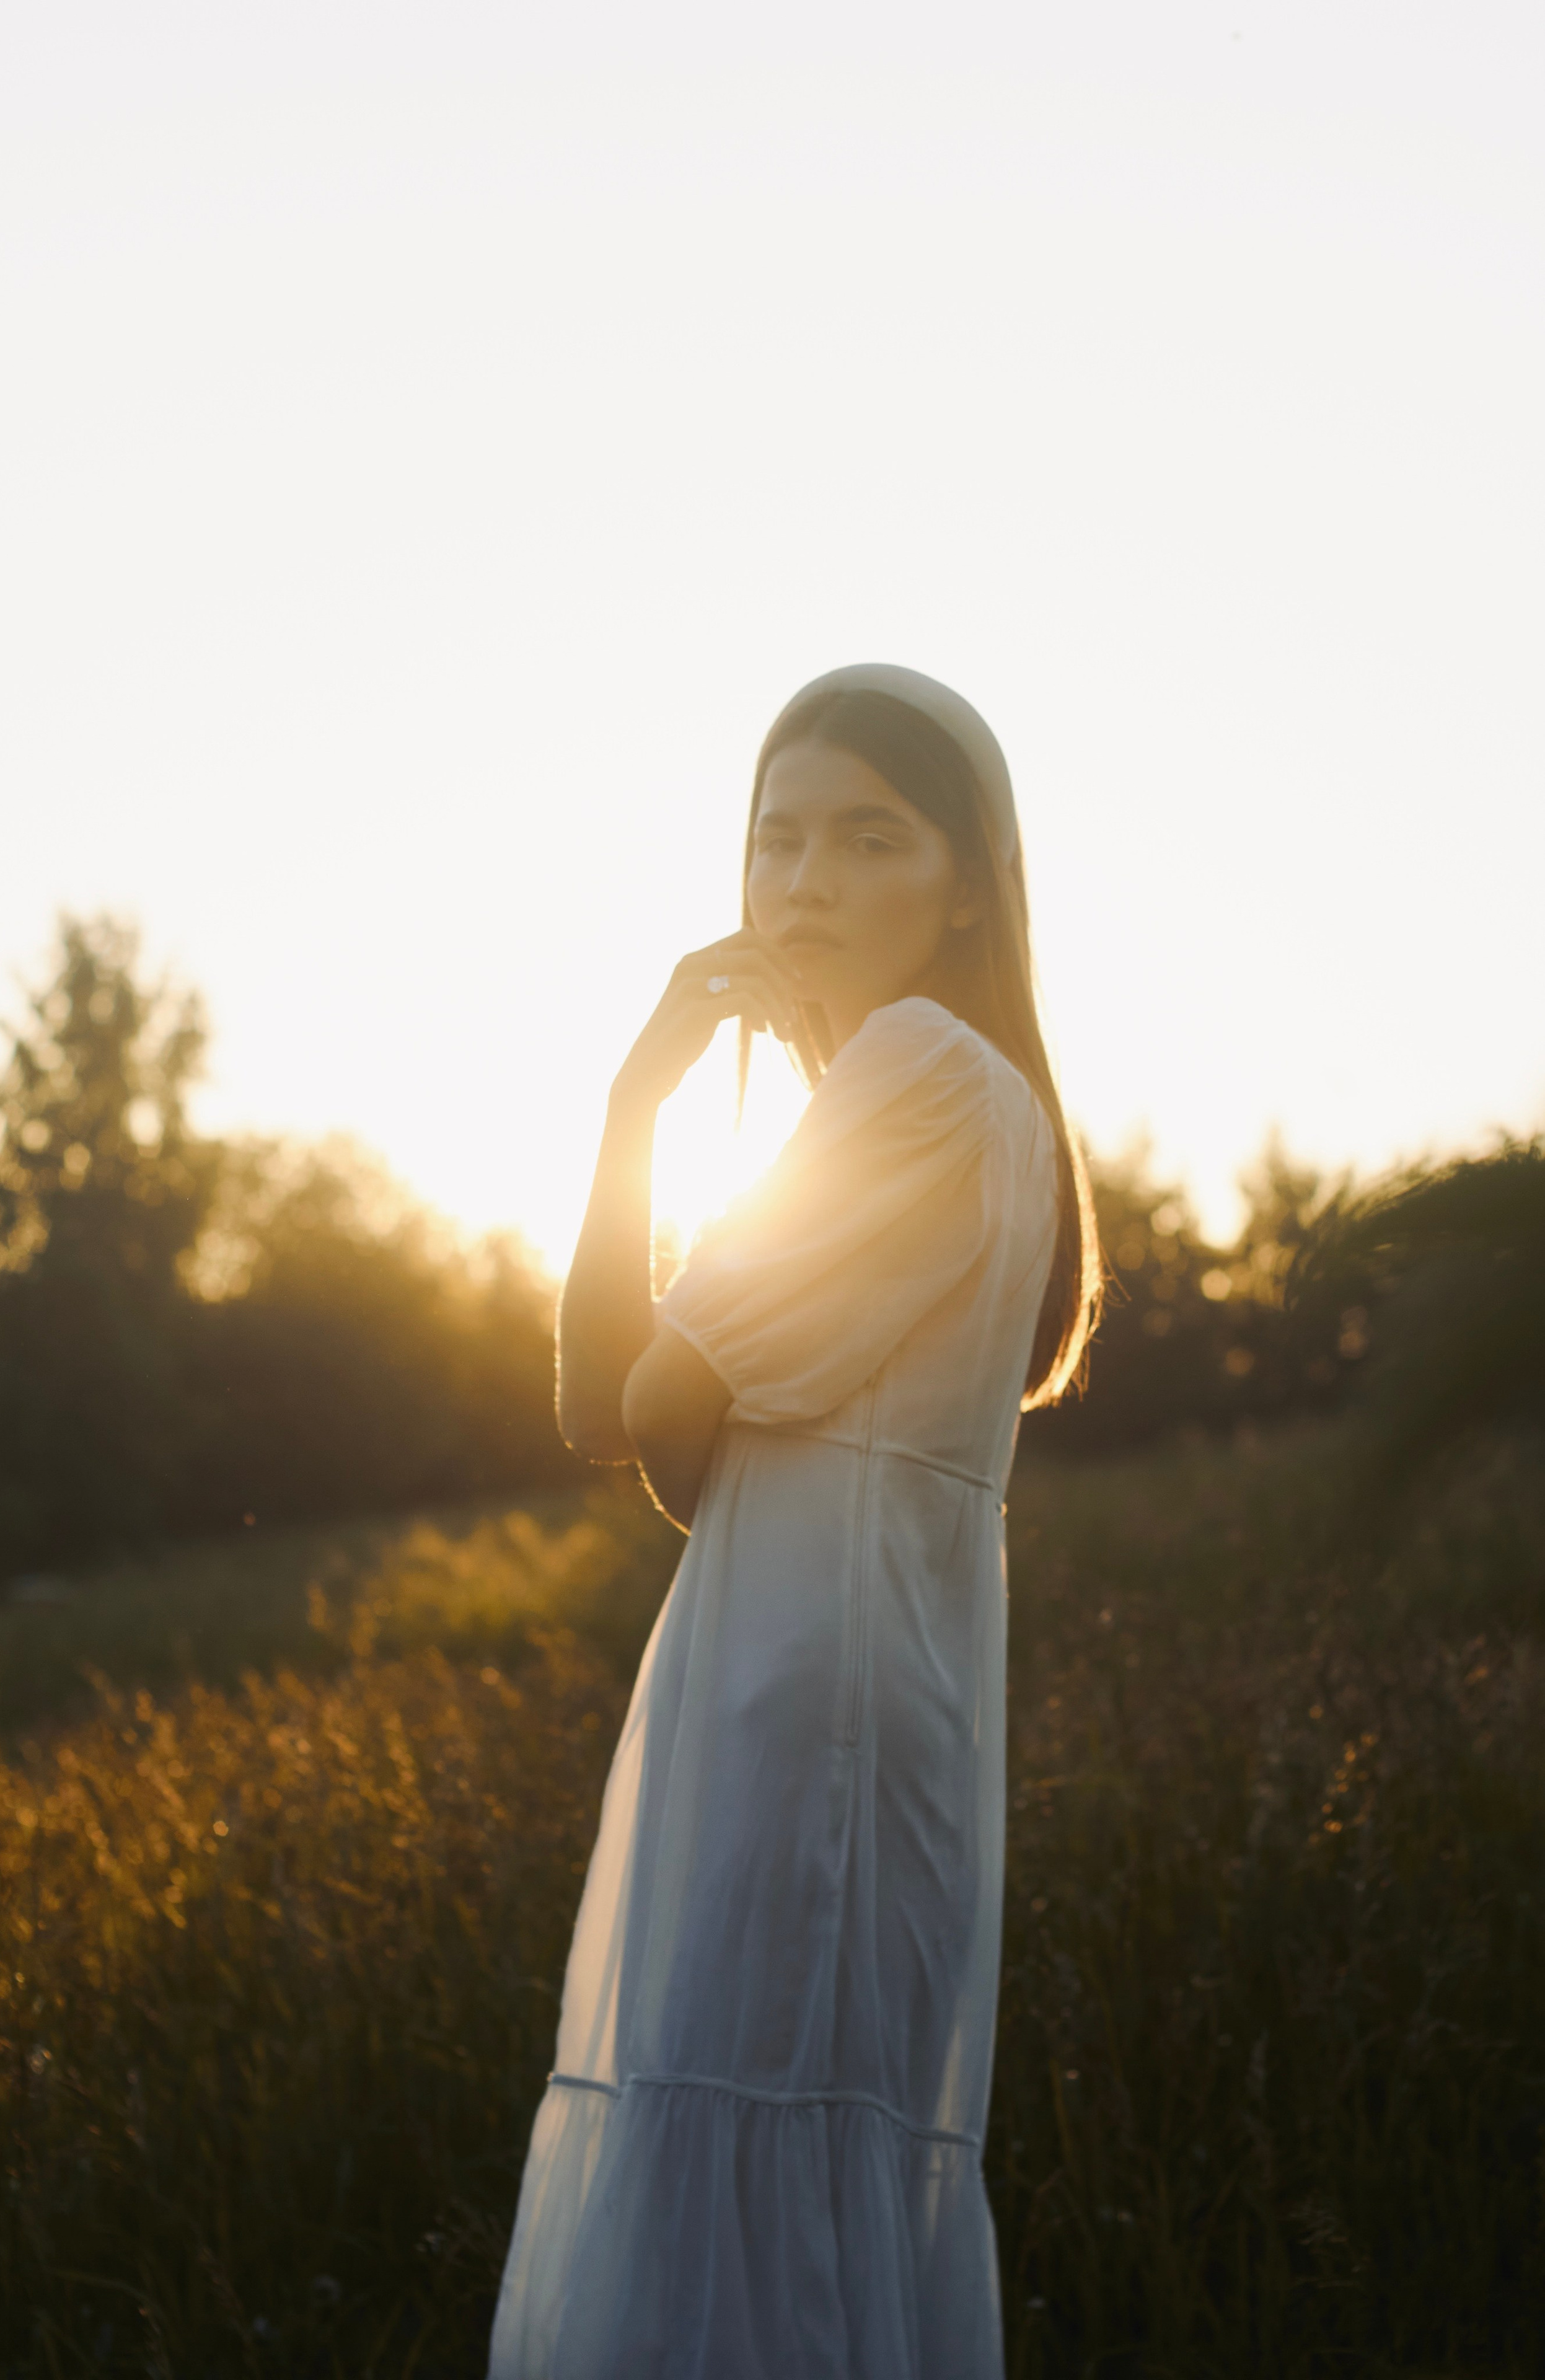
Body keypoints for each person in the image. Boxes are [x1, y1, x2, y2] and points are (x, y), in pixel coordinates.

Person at [488, 664, 1099, 2379]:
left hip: (805, 1715)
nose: (805, 884)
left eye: (866, 838)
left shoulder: (923, 1070)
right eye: (776, 843)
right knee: (794, 2153)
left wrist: (639, 1129)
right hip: (830, 1696)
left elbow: (635, 1418)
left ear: (969, 880)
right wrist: (636, 1109)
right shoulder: (940, 1098)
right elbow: (634, 1421)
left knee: (756, 2137)